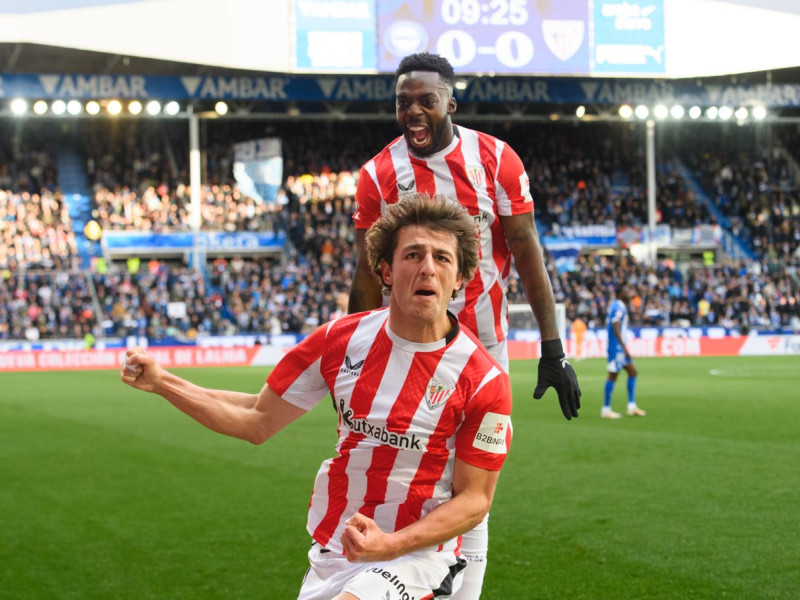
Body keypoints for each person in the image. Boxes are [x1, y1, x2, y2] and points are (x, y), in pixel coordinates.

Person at [120, 194, 513, 600]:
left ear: (461, 277)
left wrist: (391, 545)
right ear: (386, 270)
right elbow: (257, 418)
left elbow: (474, 500)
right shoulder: (339, 341)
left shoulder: (483, 380)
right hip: (335, 553)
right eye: (413, 255)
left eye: (443, 258)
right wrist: (164, 383)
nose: (428, 268)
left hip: (416, 558)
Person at [348, 51, 581, 598]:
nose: (414, 112)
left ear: (451, 102)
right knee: (407, 475)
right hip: (406, 350)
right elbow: (365, 275)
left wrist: (553, 349)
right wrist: (351, 354)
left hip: (481, 353)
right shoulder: (378, 176)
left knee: (472, 483)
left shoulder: (496, 160)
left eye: (426, 101)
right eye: (403, 102)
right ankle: (399, 578)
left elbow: (527, 253)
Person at [602, 284, 646, 419]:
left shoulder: (620, 306)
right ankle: (606, 409)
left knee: (633, 372)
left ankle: (631, 406)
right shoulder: (618, 306)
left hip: (619, 347)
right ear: (620, 293)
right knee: (613, 376)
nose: (630, 292)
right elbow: (615, 326)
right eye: (627, 290)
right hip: (617, 348)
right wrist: (622, 346)